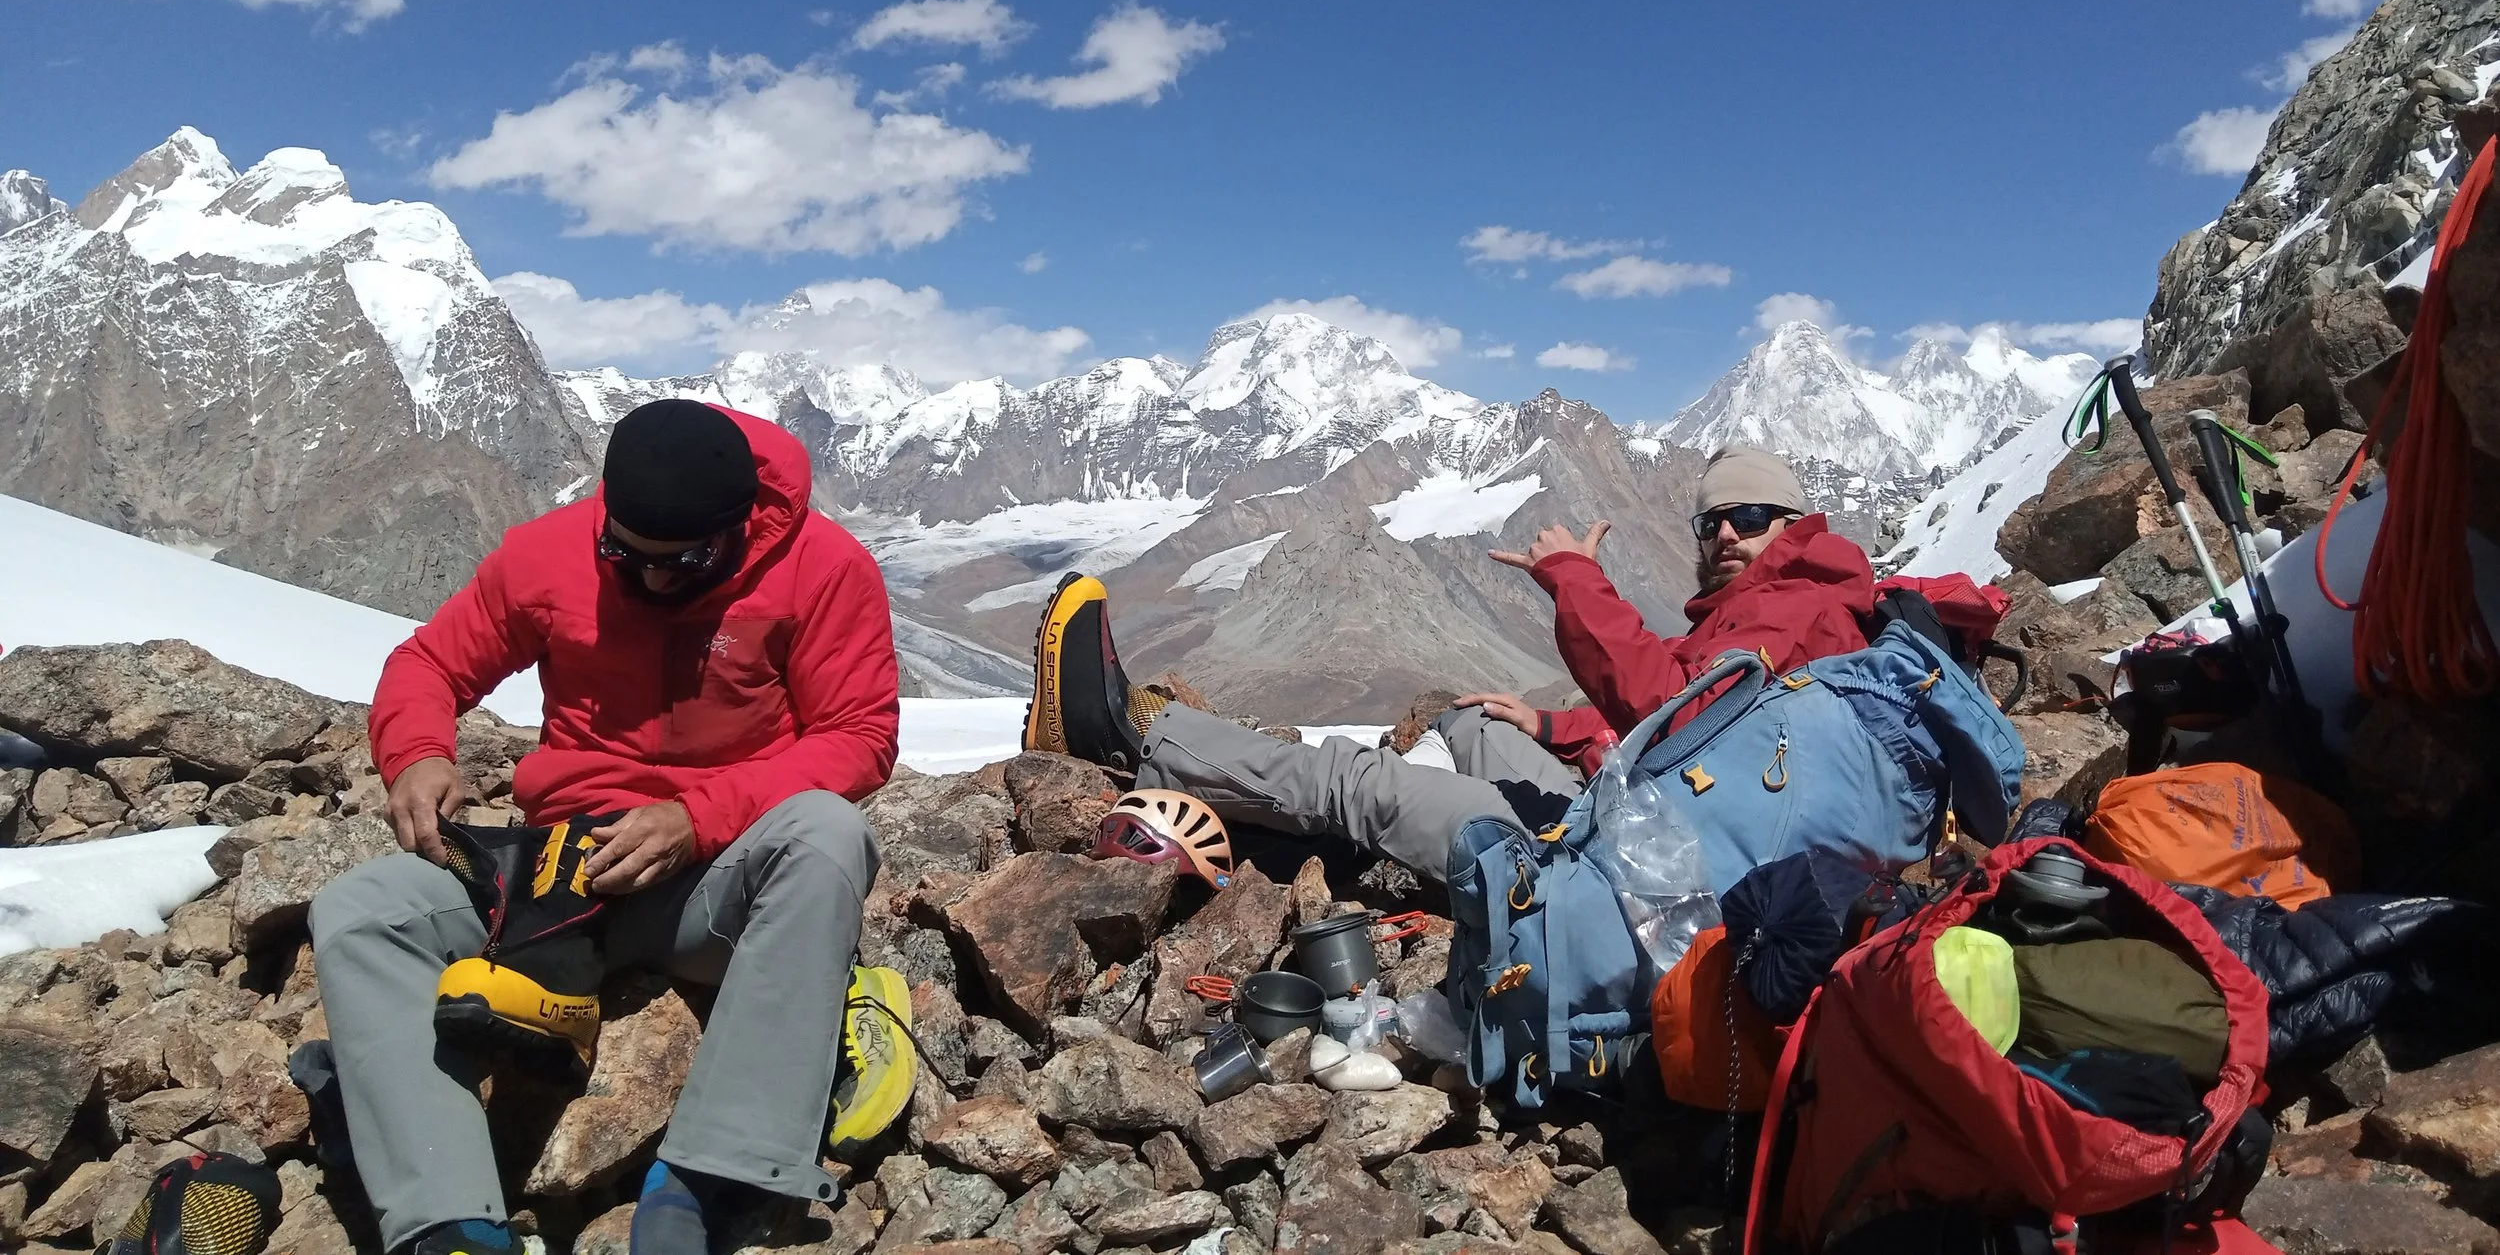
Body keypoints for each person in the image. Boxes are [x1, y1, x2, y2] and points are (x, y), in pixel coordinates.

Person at [308, 400, 905, 1255]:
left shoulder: (823, 566)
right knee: (361, 913)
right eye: (627, 555)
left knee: (826, 836)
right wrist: (416, 754)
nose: (653, 580)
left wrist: (697, 816)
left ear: (740, 526)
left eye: (684, 561)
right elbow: (429, 663)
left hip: (718, 876)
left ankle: (709, 1182)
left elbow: (858, 734)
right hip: (558, 873)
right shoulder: (548, 554)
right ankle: (449, 1225)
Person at [1026, 444, 1920, 884]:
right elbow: (1702, 729)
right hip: (1661, 821)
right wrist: (1559, 727)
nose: (1726, 533)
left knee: (1358, 781)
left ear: (1796, 526)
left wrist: (1576, 578)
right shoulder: (1789, 602)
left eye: (1751, 515)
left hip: (1638, 880)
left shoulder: (1798, 603)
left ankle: (1129, 733)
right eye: (1710, 521)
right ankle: (1296, 822)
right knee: (1475, 723)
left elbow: (1688, 710)